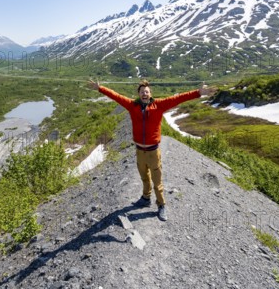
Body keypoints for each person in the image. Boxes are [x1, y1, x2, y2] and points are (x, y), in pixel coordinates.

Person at [87, 79, 215, 221]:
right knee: (144, 178)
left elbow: (178, 98)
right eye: (142, 92)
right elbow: (116, 96)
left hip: (153, 151)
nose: (144, 94)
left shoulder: (159, 105)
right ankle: (146, 198)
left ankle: (161, 205)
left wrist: (198, 93)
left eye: (146, 92)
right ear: (138, 94)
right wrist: (100, 88)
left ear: (150, 93)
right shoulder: (131, 105)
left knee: (157, 181)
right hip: (139, 151)